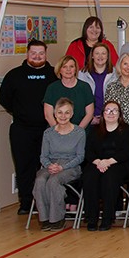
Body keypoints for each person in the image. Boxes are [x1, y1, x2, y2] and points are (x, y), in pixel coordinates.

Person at [0, 39, 57, 215]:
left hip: (47, 129)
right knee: (24, 166)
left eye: (41, 53)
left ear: (45, 54)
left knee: (46, 166)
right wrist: (21, 112)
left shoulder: (54, 74)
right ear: (27, 54)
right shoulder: (14, 75)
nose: (37, 56)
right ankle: (26, 202)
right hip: (22, 129)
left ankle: (44, 202)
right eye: (33, 53)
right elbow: (4, 98)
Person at [32, 98, 86, 231]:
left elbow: (80, 157)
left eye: (67, 113)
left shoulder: (79, 132)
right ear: (55, 114)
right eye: (60, 112)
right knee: (40, 180)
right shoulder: (48, 133)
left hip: (70, 166)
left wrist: (62, 167)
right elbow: (43, 156)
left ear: (72, 114)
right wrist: (49, 165)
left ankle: (57, 218)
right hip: (50, 165)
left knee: (53, 181)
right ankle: (45, 218)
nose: (63, 116)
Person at [82, 100, 129, 231]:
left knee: (109, 177)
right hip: (97, 163)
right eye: (108, 110)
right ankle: (92, 217)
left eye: (114, 110)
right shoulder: (94, 130)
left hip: (119, 164)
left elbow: (127, 151)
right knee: (89, 176)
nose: (111, 113)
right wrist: (98, 162)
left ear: (120, 114)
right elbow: (88, 151)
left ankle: (107, 217)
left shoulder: (127, 130)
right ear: (103, 114)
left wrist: (108, 161)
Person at [42, 55, 94, 129]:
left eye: (71, 66)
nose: (68, 69)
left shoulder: (85, 87)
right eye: (64, 67)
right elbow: (48, 115)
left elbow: (89, 114)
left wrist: (77, 132)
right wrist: (59, 131)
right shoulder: (52, 88)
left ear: (76, 69)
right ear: (59, 70)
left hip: (81, 131)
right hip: (56, 132)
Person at [78, 44, 114, 125]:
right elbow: (79, 99)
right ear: (92, 56)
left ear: (108, 56)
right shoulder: (82, 74)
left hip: (109, 119)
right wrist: (90, 117)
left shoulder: (115, 74)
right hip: (88, 120)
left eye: (103, 53)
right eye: (97, 53)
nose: (100, 56)